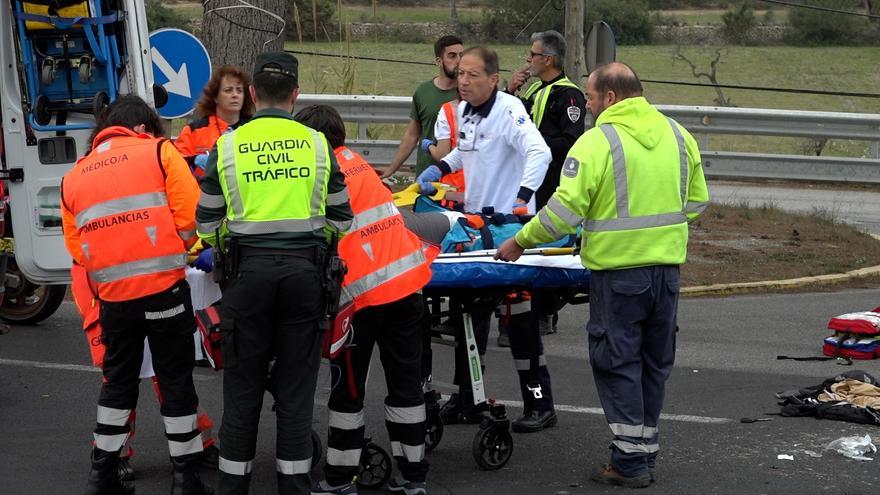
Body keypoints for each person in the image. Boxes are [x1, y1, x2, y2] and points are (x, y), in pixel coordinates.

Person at [495, 62, 710, 487]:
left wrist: (520, 241)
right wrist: (659, 232)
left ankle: (630, 462)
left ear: (610, 97)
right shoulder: (678, 135)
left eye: (591, 97)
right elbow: (697, 202)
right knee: (653, 364)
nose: (588, 105)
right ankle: (642, 452)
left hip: (618, 275)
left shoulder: (597, 143)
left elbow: (563, 212)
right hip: (666, 272)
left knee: (617, 363)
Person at [196, 52, 353, 495]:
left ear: (251, 94)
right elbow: (342, 219)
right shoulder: (319, 144)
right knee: (297, 393)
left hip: (246, 279)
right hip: (306, 278)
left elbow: (206, 224)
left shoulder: (226, 144)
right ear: (296, 95)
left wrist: (231, 243)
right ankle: (294, 487)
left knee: (242, 392)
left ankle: (233, 487)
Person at [60, 95, 211, 495]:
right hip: (164, 291)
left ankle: (101, 476)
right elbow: (191, 217)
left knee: (118, 384)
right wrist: (175, 249)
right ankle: (186, 479)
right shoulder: (159, 151)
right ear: (143, 128)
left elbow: (77, 249)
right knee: (175, 381)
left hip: (113, 299)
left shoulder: (74, 175)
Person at [415, 46, 559, 433]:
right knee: (469, 315)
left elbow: (539, 153)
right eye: (460, 74)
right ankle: (468, 398)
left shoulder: (510, 109)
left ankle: (539, 403)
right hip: (476, 228)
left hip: (509, 229)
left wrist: (523, 198)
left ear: (494, 79)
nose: (463, 81)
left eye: (472, 75)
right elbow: (466, 152)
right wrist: (440, 168)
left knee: (519, 317)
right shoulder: (463, 111)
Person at [295, 105, 434, 495]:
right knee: (407, 388)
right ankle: (413, 476)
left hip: (360, 302)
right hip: (407, 290)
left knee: (347, 394)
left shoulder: (319, 176)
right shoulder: (357, 162)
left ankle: (340, 479)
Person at [505, 30, 587, 336]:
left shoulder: (569, 95)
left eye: (533, 54)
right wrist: (510, 92)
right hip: (529, 185)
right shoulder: (535, 92)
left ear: (548, 59)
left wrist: (536, 145)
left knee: (551, 247)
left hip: (553, 183)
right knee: (525, 242)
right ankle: (528, 308)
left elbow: (570, 141)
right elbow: (513, 126)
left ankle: (547, 308)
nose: (528, 59)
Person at [381, 35, 463, 179]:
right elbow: (412, 135)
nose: (458, 61)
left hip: (458, 180)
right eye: (452, 56)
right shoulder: (423, 92)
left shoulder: (469, 93)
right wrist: (391, 169)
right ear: (439, 61)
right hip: (426, 176)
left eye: (461, 55)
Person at [176, 65, 254, 175]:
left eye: (239, 90)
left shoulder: (253, 128)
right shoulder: (194, 131)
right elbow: (176, 164)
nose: (235, 95)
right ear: (215, 97)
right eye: (228, 90)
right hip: (204, 190)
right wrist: (194, 160)